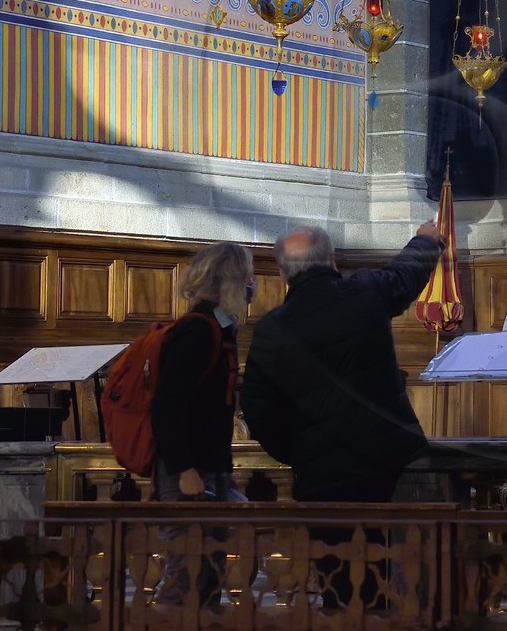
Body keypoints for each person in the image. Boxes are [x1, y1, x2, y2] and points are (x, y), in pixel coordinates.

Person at [241, 220, 445, 608]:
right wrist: (425, 239)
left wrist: (301, 450)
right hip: (396, 459)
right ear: (332, 260)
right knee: (417, 583)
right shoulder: (365, 291)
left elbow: (257, 408)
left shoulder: (272, 330)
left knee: (344, 589)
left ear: (283, 273)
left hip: (325, 476)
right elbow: (406, 273)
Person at [150, 241, 254, 609]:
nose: (251, 286)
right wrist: (184, 469)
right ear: (227, 281)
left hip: (210, 471)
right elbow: (166, 408)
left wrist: (225, 474)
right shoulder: (197, 331)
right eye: (246, 277)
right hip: (188, 474)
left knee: (208, 575)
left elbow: (216, 412)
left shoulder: (222, 330)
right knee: (185, 576)